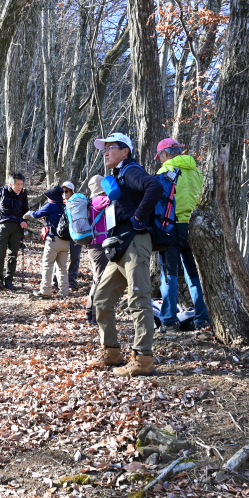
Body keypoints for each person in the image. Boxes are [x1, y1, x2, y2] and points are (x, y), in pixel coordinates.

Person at [91, 133, 163, 376]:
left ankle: (143, 359)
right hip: (120, 245)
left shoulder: (131, 169)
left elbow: (155, 186)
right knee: (101, 299)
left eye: (111, 147)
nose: (106, 151)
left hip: (135, 242)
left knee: (139, 298)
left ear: (125, 151)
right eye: (105, 148)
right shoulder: (118, 175)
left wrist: (140, 217)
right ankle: (111, 352)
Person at [155, 138, 209, 331]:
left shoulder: (164, 172)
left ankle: (169, 321)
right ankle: (202, 319)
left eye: (159, 156)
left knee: (169, 274)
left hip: (171, 227)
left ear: (164, 154)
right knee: (194, 274)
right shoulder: (197, 171)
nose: (159, 160)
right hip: (194, 226)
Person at [24, 185, 69, 300]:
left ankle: (45, 291)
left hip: (53, 240)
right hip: (66, 241)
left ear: (52, 197)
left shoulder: (51, 206)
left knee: (48, 265)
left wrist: (29, 213)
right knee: (62, 267)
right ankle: (64, 292)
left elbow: (37, 214)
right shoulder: (66, 206)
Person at [0, 172, 29, 290]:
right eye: (18, 184)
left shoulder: (23, 194)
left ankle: (9, 279)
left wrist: (24, 221)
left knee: (13, 255)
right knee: (0, 253)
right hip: (2, 226)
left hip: (17, 227)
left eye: (21, 184)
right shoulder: (1, 191)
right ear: (11, 184)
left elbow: (26, 210)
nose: (20, 186)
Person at [85, 175, 111, 325]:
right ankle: (95, 316)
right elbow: (114, 198)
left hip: (94, 246)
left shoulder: (91, 202)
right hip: (99, 246)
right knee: (100, 280)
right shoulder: (99, 200)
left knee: (97, 279)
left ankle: (90, 312)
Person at [60, 180, 82, 292]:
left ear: (72, 192)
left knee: (75, 257)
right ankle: (59, 280)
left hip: (76, 235)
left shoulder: (78, 203)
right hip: (63, 236)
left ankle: (72, 280)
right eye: (63, 191)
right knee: (60, 259)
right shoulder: (58, 204)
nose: (64, 193)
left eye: (67, 191)